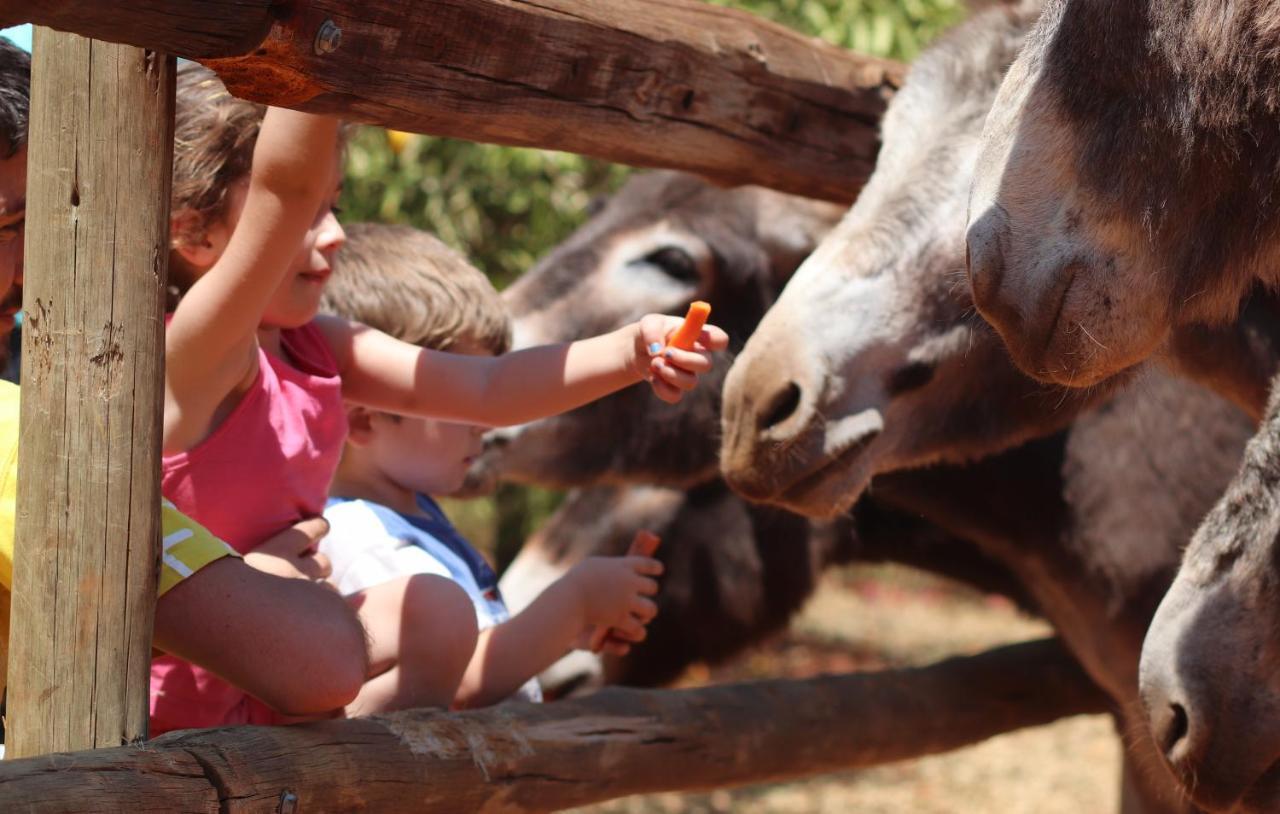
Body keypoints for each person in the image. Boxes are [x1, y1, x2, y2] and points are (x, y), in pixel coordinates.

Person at [155, 65, 726, 728]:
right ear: (195, 235)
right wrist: (307, 53)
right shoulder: (201, 353)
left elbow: (487, 389)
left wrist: (630, 351)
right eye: (309, 216)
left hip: (294, 635)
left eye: (335, 204)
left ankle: (374, 763)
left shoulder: (314, 345)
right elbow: (286, 183)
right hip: (202, 671)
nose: (335, 232)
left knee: (438, 608)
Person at [0, 37, 370, 735]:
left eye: (39, 225)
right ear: (190, 233)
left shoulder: (301, 349)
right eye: (8, 224)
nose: (29, 271)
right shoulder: (24, 444)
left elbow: (489, 386)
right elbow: (319, 663)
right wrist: (319, 39)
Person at [320, 223, 661, 707]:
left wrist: (562, 633)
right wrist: (574, 603)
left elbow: (478, 656)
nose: (485, 426)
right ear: (364, 420)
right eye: (460, 404)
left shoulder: (411, 519)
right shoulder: (359, 536)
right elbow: (455, 683)